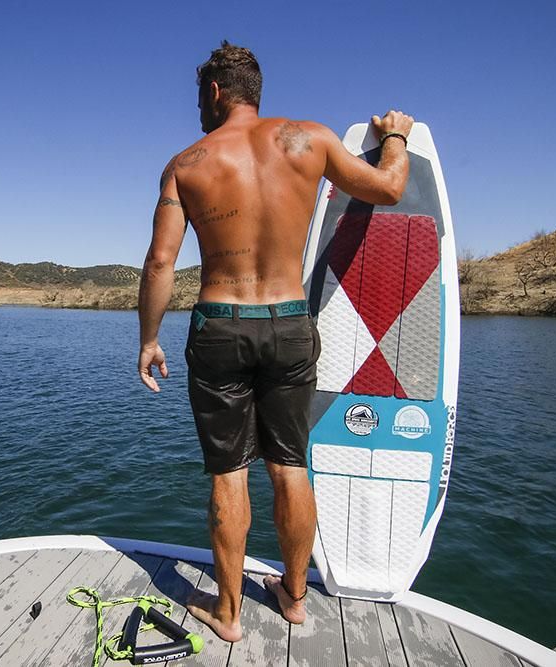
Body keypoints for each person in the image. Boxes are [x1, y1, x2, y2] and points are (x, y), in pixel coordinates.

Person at [136, 41, 413, 642]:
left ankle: (229, 614)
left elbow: (161, 261)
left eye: (198, 98)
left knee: (228, 473)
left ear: (214, 92)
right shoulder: (308, 140)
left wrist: (148, 339)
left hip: (219, 327)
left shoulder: (186, 163)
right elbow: (388, 189)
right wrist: (396, 135)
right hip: (289, 323)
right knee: (290, 464)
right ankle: (291, 596)